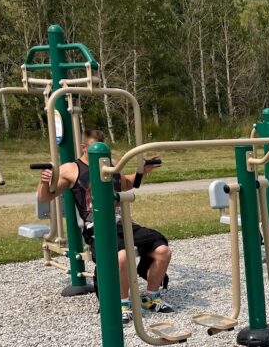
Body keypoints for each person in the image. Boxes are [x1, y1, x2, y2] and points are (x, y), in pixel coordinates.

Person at [37, 128, 173, 324]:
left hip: (122, 222)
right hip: (97, 226)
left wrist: (143, 171)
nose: (102, 155)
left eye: (104, 150)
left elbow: (125, 184)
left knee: (163, 250)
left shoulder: (112, 164)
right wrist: (43, 182)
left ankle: (151, 297)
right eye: (95, 149)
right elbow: (45, 196)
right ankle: (122, 304)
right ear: (84, 148)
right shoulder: (71, 169)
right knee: (122, 255)